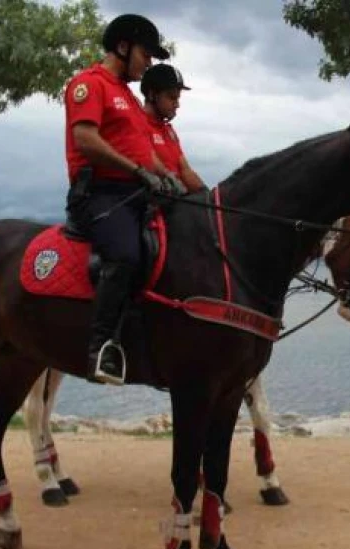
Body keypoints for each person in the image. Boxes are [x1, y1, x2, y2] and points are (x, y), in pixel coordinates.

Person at [64, 14, 175, 385]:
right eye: (146, 53)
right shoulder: (88, 84)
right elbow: (86, 140)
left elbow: (146, 154)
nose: (150, 63)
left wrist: (167, 178)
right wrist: (137, 170)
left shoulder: (127, 95)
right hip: (99, 195)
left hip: (136, 193)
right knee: (125, 254)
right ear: (124, 47)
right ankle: (101, 348)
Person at [140, 63, 207, 194]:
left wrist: (206, 194)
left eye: (178, 98)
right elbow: (149, 162)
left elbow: (185, 170)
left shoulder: (169, 131)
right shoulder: (138, 122)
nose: (177, 104)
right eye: (172, 97)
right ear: (152, 95)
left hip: (177, 198)